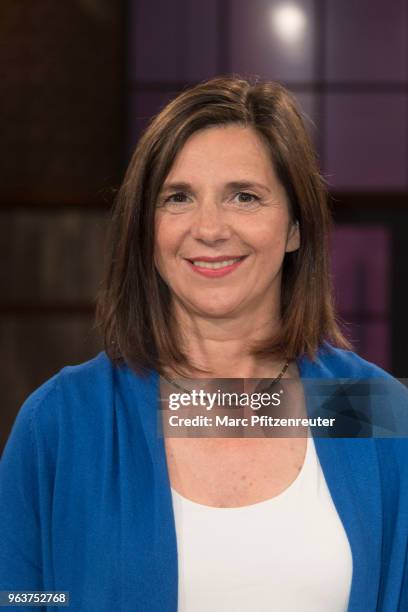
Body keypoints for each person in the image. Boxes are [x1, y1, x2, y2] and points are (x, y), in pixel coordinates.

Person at [0, 76, 407, 612]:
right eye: (178, 198)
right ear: (147, 229)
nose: (209, 228)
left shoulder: (369, 407)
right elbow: (21, 596)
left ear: (294, 228)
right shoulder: (63, 420)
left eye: (245, 196)